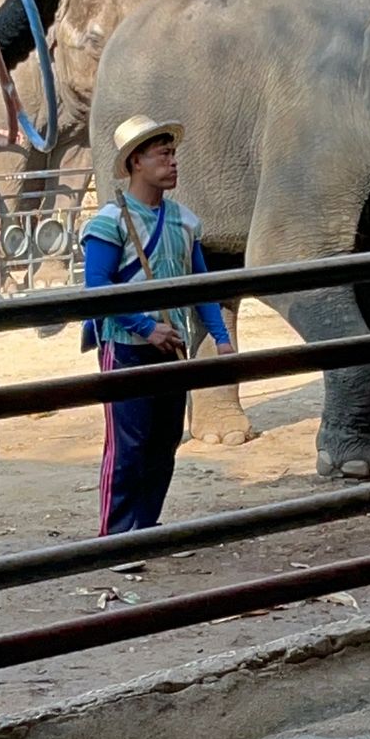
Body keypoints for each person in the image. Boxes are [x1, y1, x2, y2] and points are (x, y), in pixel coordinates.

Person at [80, 115, 234, 536]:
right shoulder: (109, 223)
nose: (172, 162)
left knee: (164, 442)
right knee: (127, 446)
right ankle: (115, 537)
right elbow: (97, 288)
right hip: (126, 345)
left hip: (172, 346)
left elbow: (202, 286)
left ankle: (146, 530)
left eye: (173, 154)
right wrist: (146, 328)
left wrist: (221, 338)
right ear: (136, 162)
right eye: (162, 154)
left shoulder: (185, 222)